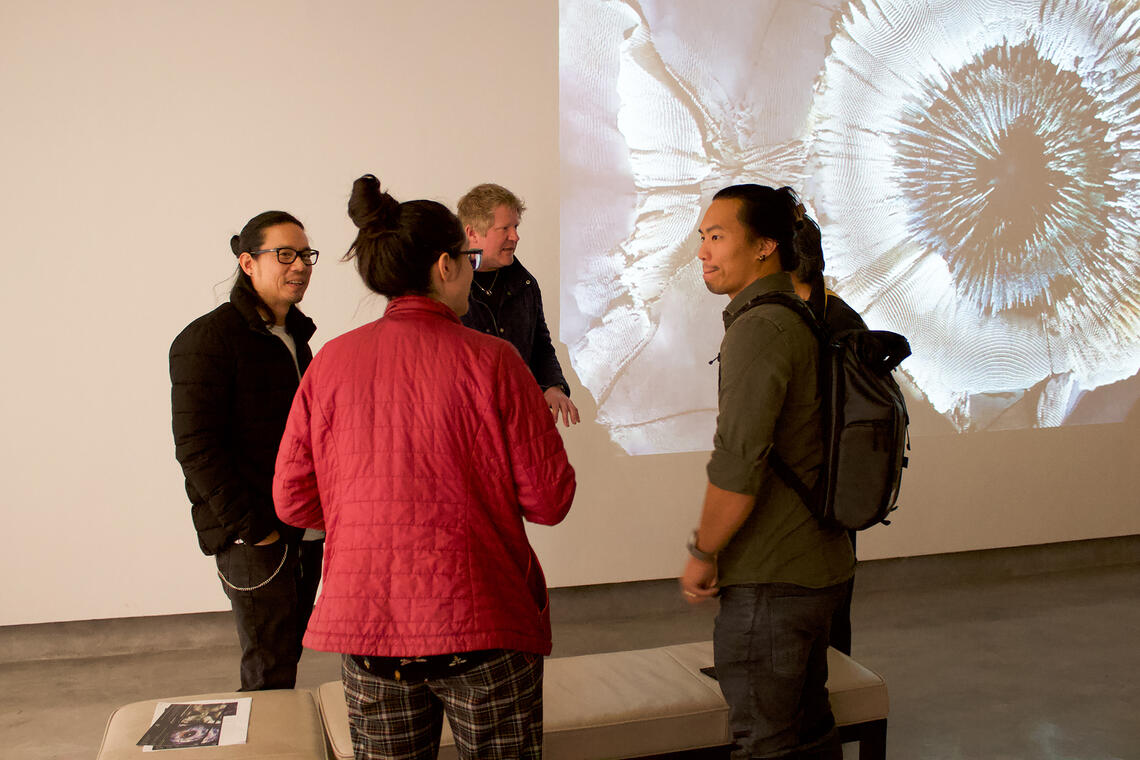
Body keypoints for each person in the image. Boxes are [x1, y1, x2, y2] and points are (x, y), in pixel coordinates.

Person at [274, 175, 576, 760]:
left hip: (370, 628)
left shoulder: (330, 362)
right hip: (482, 620)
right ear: (445, 265)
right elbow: (549, 499)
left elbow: (293, 501)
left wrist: (368, 509)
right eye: (468, 259)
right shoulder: (494, 361)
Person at [680, 185, 855, 759]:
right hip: (817, 566)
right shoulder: (803, 314)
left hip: (771, 579)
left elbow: (737, 465)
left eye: (717, 236)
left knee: (767, 745)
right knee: (810, 733)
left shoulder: (759, 328)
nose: (703, 252)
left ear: (765, 247)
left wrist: (704, 552)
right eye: (702, 237)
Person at [170, 210, 323, 691]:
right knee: (268, 666)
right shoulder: (206, 341)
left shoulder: (295, 335)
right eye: (284, 255)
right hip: (253, 535)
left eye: (305, 255)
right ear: (248, 263)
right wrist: (253, 529)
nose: (298, 265)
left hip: (304, 525)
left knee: (287, 652)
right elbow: (197, 449)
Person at [790, 214, 867, 657]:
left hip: (823, 492)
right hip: (834, 489)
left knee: (822, 606)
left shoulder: (827, 321)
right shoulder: (831, 314)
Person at [458, 183, 580, 426]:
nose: (515, 236)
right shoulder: (446, 288)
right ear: (472, 233)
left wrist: (553, 386)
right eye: (505, 228)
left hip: (517, 425)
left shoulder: (525, 284)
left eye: (515, 226)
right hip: (465, 429)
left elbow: (540, 346)